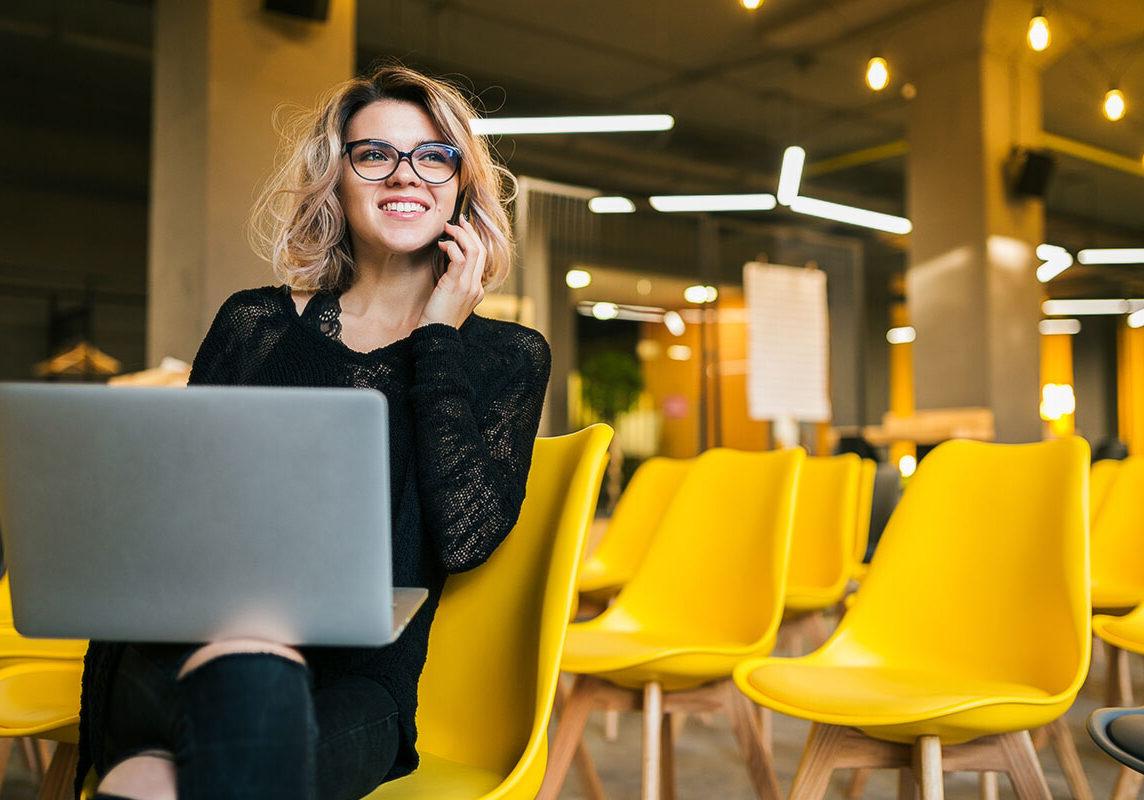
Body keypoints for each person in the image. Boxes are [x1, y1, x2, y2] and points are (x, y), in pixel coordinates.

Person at [78, 64, 551, 800]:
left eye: (433, 156)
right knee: (216, 717)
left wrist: (438, 339)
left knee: (160, 782)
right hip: (188, 642)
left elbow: (465, 539)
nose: (406, 176)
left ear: (461, 184)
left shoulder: (506, 356)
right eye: (375, 155)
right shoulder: (255, 324)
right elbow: (179, 503)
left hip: (356, 682)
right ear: (337, 179)